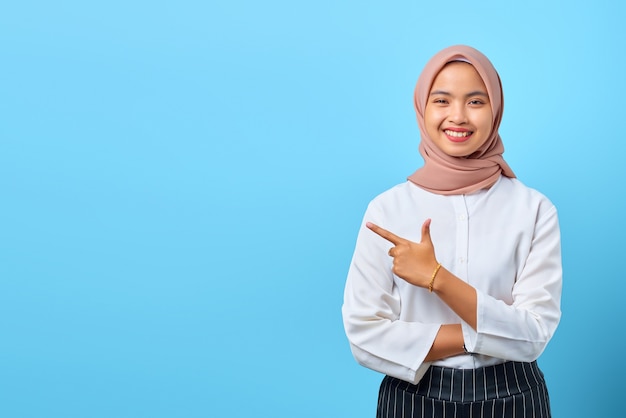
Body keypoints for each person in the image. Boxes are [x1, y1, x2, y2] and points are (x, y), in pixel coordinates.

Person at [341, 45, 562, 418]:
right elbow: (364, 336)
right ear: (422, 108)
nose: (457, 116)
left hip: (514, 396)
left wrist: (437, 278)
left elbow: (534, 336)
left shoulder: (534, 209)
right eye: (441, 100)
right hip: (413, 397)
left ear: (496, 109)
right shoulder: (387, 210)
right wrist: (480, 335)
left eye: (476, 101)